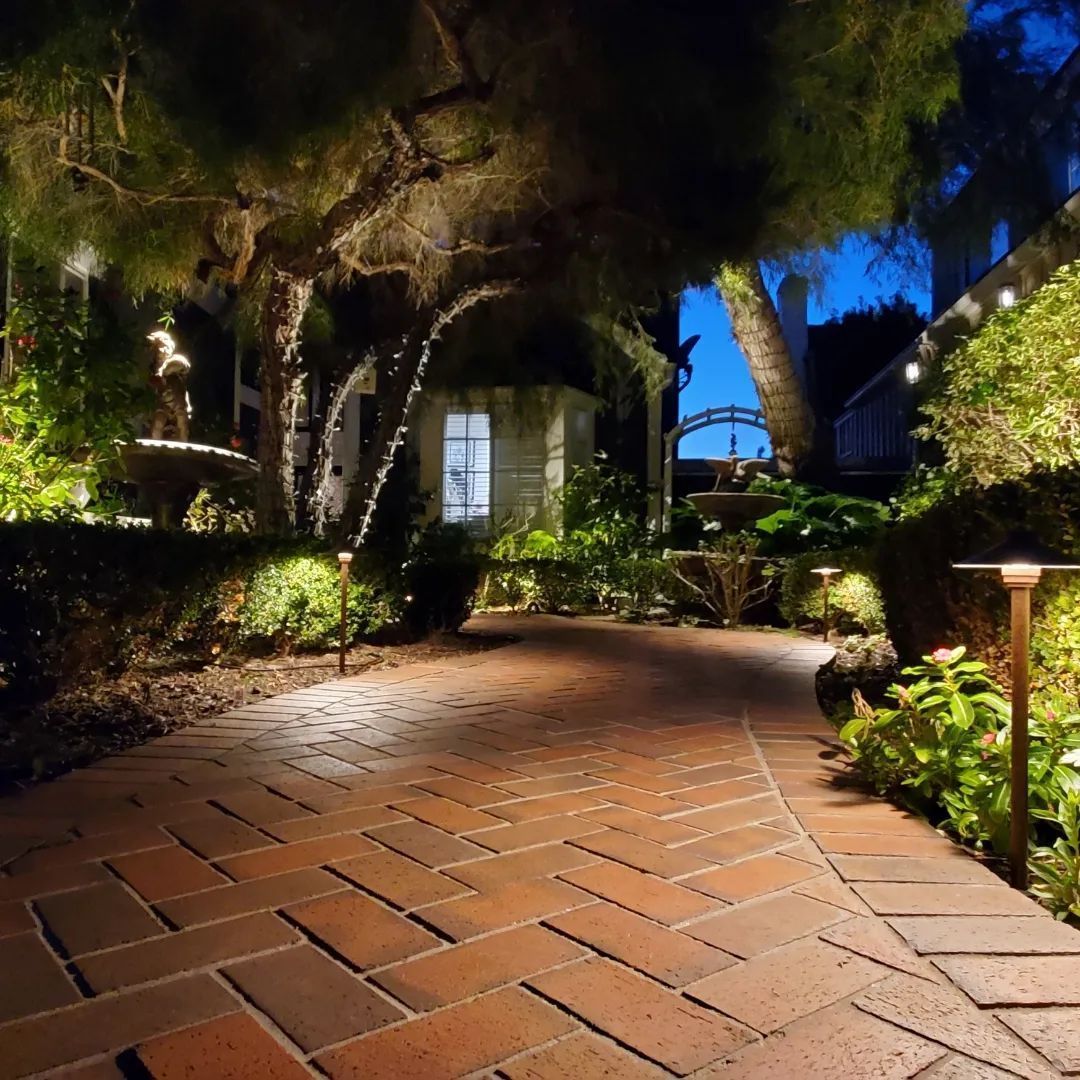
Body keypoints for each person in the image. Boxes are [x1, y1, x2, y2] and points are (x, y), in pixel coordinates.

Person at [147, 329, 192, 441]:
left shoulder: (176, 360)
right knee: (157, 423)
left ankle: (183, 449)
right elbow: (154, 384)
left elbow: (184, 366)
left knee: (182, 423)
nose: (159, 352)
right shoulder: (154, 369)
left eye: (161, 347)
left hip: (178, 401)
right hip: (164, 402)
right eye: (156, 349)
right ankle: (154, 449)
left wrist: (163, 372)